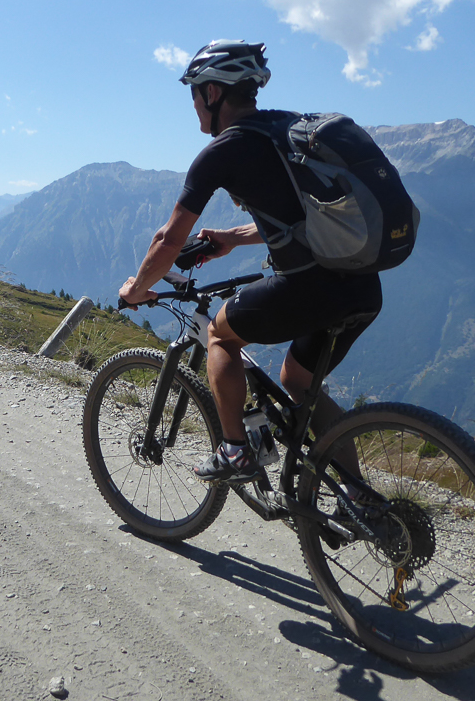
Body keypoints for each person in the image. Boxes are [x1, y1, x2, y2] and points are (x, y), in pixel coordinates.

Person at [117, 40, 382, 484]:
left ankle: (236, 452)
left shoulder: (223, 150)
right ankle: (360, 498)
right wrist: (232, 239)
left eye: (194, 95)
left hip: (309, 288)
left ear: (212, 93)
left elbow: (169, 239)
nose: (194, 107)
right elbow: (308, 220)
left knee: (219, 336)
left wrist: (138, 288)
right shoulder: (286, 129)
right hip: (363, 284)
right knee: (297, 382)